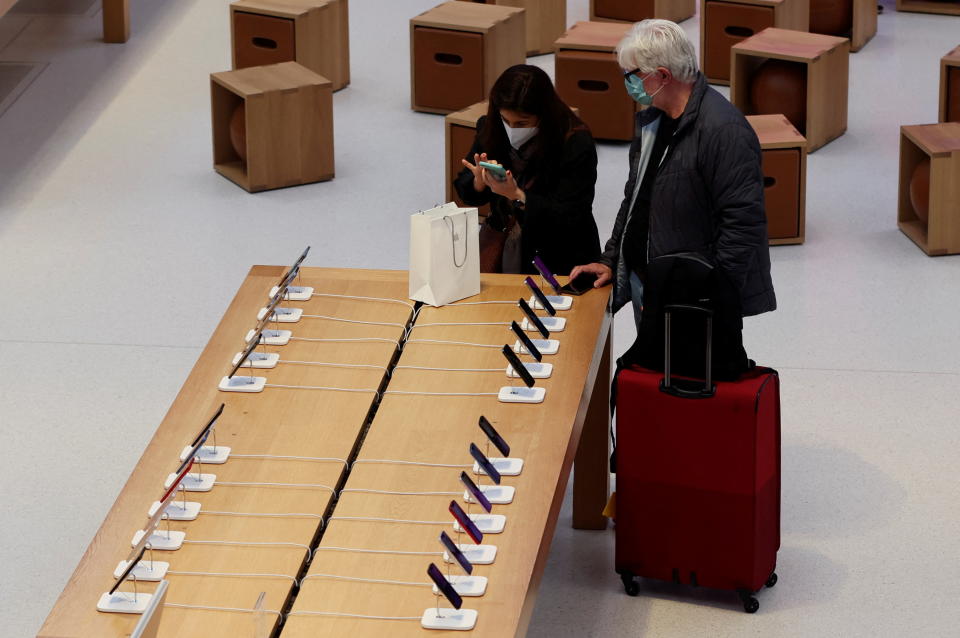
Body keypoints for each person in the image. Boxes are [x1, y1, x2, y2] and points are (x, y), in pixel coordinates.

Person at [570, 19, 776, 324]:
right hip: (652, 285)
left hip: (692, 301)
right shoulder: (653, 119)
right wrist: (611, 260)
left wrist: (708, 298)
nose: (628, 83)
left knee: (686, 373)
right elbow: (635, 200)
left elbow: (743, 226)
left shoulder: (725, 131)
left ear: (663, 76)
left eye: (632, 75)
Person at [454, 64, 601, 275]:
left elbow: (571, 214)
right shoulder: (491, 127)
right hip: (504, 243)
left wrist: (517, 195)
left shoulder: (575, 143)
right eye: (506, 121)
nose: (512, 130)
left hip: (559, 252)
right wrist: (479, 183)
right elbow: (466, 191)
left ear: (544, 115)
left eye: (522, 123)